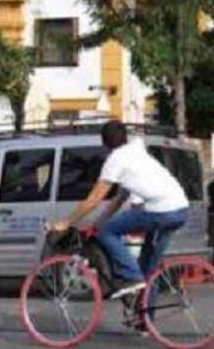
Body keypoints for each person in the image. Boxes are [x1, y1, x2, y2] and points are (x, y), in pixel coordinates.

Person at [49, 121, 189, 299]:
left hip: (160, 210)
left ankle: (130, 276)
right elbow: (120, 197)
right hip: (180, 209)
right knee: (148, 272)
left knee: (106, 233)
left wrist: (65, 222)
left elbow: (93, 199)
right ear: (125, 137)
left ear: (104, 143)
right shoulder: (135, 152)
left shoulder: (115, 160)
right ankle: (145, 322)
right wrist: (98, 222)